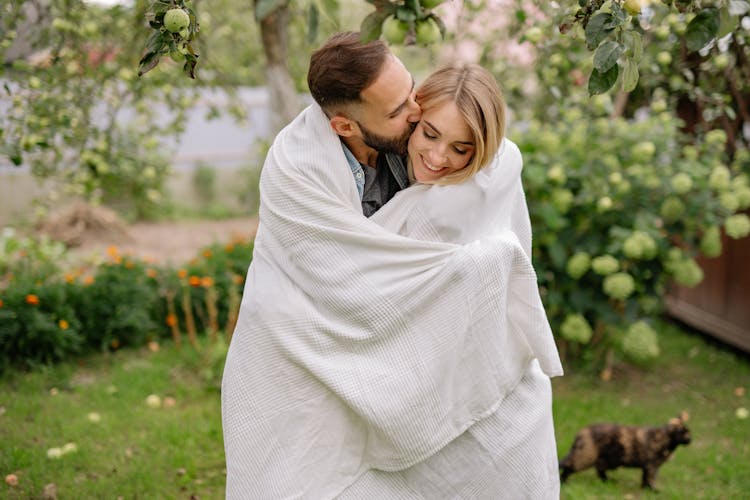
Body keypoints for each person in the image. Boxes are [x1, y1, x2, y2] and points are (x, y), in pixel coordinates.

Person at [221, 32, 562, 499]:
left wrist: (484, 266)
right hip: (303, 335)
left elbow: (489, 172)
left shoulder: (434, 142)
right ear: (344, 126)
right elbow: (341, 278)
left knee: (514, 426)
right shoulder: (297, 169)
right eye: (400, 110)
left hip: (436, 345)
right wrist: (464, 268)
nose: (416, 111)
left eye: (411, 92)